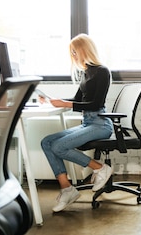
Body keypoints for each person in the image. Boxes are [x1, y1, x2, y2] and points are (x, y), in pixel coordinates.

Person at [40, 33, 114, 213]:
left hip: (100, 124)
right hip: (87, 123)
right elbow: (76, 100)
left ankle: (101, 168)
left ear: (84, 50)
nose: (73, 56)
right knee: (47, 142)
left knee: (58, 147)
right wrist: (55, 101)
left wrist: (66, 104)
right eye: (71, 53)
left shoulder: (102, 71)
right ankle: (67, 190)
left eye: (75, 52)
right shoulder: (85, 73)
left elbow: (96, 103)